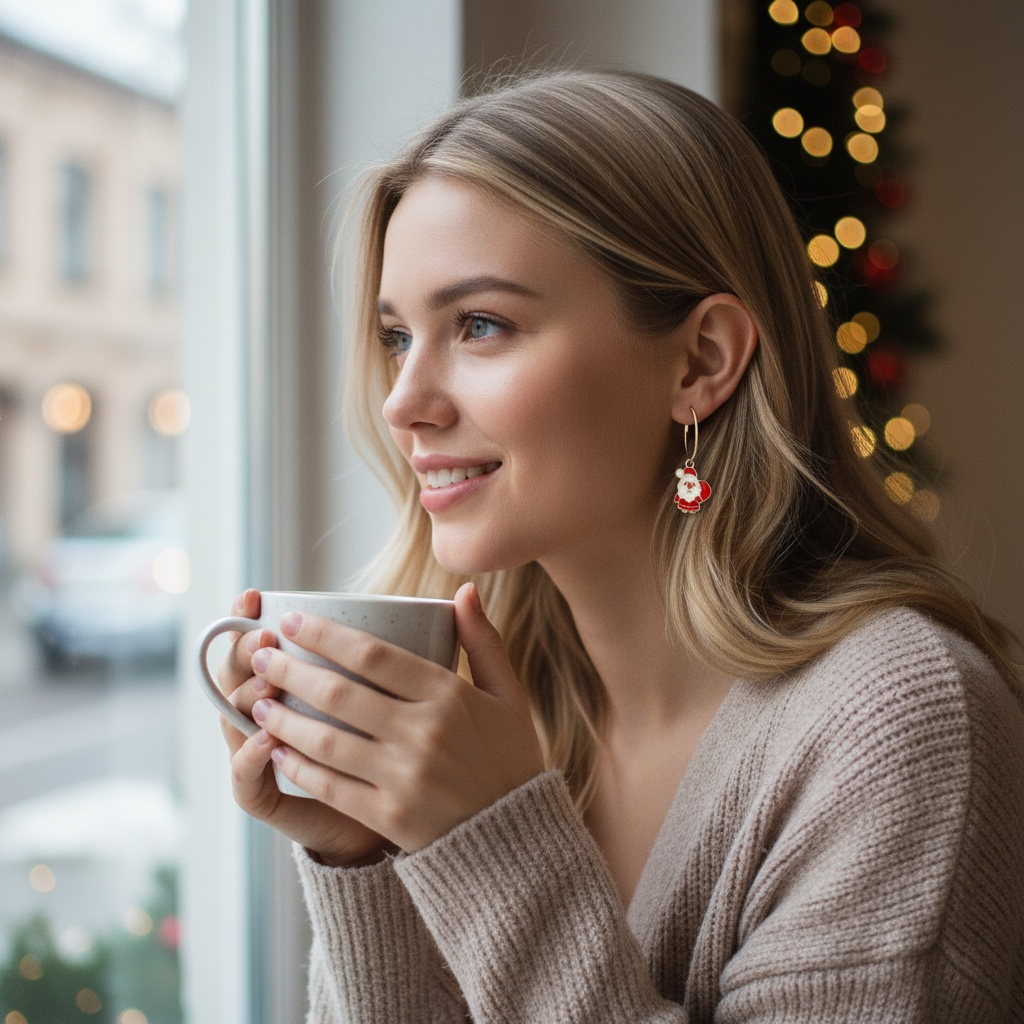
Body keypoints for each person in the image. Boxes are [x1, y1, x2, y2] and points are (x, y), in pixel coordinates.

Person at [216, 69, 1024, 1022]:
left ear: (702, 361)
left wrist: (491, 841)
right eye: (398, 338)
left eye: (480, 326)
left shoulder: (895, 724)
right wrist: (366, 851)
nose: (404, 402)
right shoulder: (484, 708)